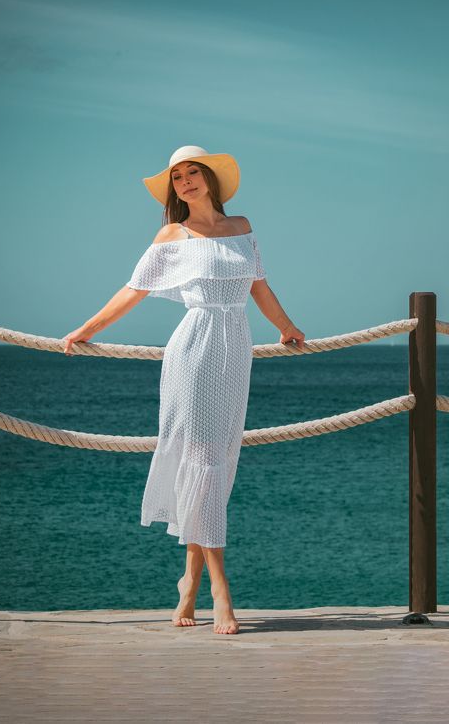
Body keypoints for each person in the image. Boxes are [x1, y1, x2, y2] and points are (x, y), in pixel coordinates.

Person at [62, 145, 305, 634]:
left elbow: (258, 286)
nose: (186, 181)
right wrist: (87, 329)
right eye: (177, 177)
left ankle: (189, 580)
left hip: (236, 349)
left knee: (219, 461)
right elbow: (133, 289)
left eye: (193, 172)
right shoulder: (173, 235)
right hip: (193, 350)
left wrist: (286, 326)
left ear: (210, 178)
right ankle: (220, 590)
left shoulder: (242, 227)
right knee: (203, 461)